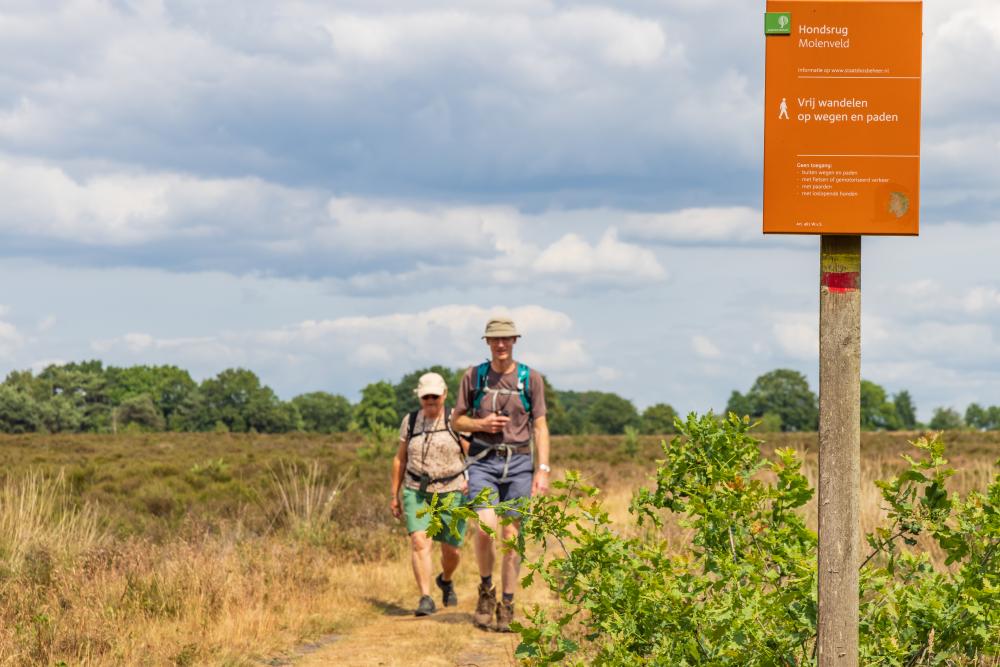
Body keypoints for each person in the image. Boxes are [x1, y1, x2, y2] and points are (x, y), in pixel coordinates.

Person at [451, 316, 550, 632]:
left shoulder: (530, 378)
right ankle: (485, 591)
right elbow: (457, 421)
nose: (501, 344)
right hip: (483, 460)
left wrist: (543, 470)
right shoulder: (473, 377)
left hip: (519, 463)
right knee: (485, 528)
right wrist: (482, 424)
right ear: (487, 343)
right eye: (495, 339)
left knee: (511, 536)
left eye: (506, 338)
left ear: (515, 340)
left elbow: (540, 426)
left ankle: (507, 602)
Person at [390, 372, 469, 616]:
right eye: (426, 397)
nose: (431, 401)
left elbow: (473, 454)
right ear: (420, 398)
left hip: (452, 491)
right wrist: (394, 494)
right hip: (417, 491)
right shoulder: (411, 421)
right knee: (419, 541)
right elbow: (399, 459)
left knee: (452, 550)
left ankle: (445, 579)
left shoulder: (456, 419)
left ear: (444, 394)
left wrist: (471, 480)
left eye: (435, 396)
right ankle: (425, 597)